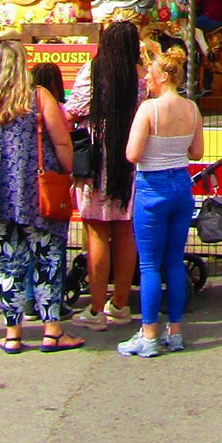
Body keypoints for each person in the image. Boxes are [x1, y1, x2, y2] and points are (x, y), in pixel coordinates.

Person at [0, 44, 80, 354]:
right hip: (35, 191)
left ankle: (12, 333)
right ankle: (52, 331)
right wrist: (68, 172)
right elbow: (61, 141)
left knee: (9, 263)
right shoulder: (38, 97)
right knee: (48, 257)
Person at [120, 43, 205, 356]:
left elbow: (133, 154)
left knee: (149, 265)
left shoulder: (149, 109)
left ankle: (149, 335)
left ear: (163, 77)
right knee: (174, 261)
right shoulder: (192, 109)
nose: (146, 79)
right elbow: (197, 152)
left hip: (152, 186)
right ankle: (176, 331)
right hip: (181, 185)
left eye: (150, 74)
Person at [74, 20, 142, 328]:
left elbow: (73, 109)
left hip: (96, 159)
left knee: (97, 233)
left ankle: (95, 309)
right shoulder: (142, 77)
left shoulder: (92, 71)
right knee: (126, 232)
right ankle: (121, 304)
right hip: (131, 159)